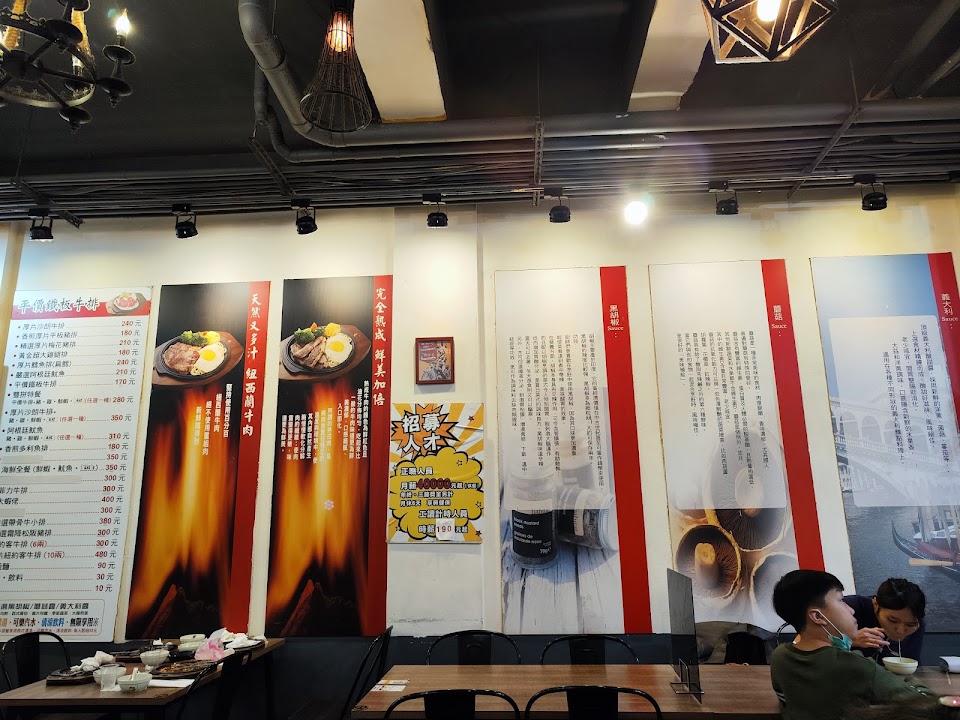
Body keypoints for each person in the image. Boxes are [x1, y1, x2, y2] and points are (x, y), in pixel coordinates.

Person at [771, 569, 933, 720]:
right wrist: (910, 681)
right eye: (841, 601)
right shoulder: (858, 666)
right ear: (817, 616)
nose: (851, 609)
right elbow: (926, 702)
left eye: (911, 624)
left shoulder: (779, 656)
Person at [844, 578, 926, 662]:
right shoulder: (848, 610)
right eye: (893, 620)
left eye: (910, 624)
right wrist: (849, 641)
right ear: (875, 604)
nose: (900, 631)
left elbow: (911, 662)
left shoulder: (917, 625)